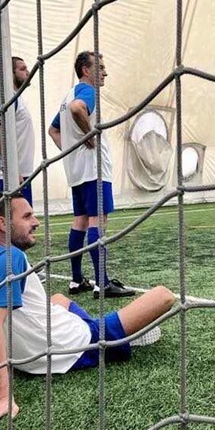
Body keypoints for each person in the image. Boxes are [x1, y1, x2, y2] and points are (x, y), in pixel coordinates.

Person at [0, 192, 174, 425]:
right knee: (164, 296)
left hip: (31, 349)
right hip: (72, 345)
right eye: (27, 216)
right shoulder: (12, 257)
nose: (36, 222)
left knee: (58, 299)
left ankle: (111, 328)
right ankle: (124, 337)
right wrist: (4, 399)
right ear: (3, 223)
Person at [48, 51, 135, 298]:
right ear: (86, 70)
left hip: (76, 171)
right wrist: (89, 135)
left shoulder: (68, 95)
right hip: (94, 169)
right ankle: (102, 283)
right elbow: (77, 109)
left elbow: (53, 130)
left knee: (80, 221)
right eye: (101, 67)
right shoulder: (87, 92)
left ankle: (77, 281)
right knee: (98, 221)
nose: (105, 72)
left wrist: (71, 151)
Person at [0, 56, 35, 206]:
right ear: (10, 73)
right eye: (22, 69)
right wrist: (12, 170)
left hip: (20, 174)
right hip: (13, 177)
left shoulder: (14, 97)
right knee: (17, 219)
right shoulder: (9, 97)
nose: (28, 72)